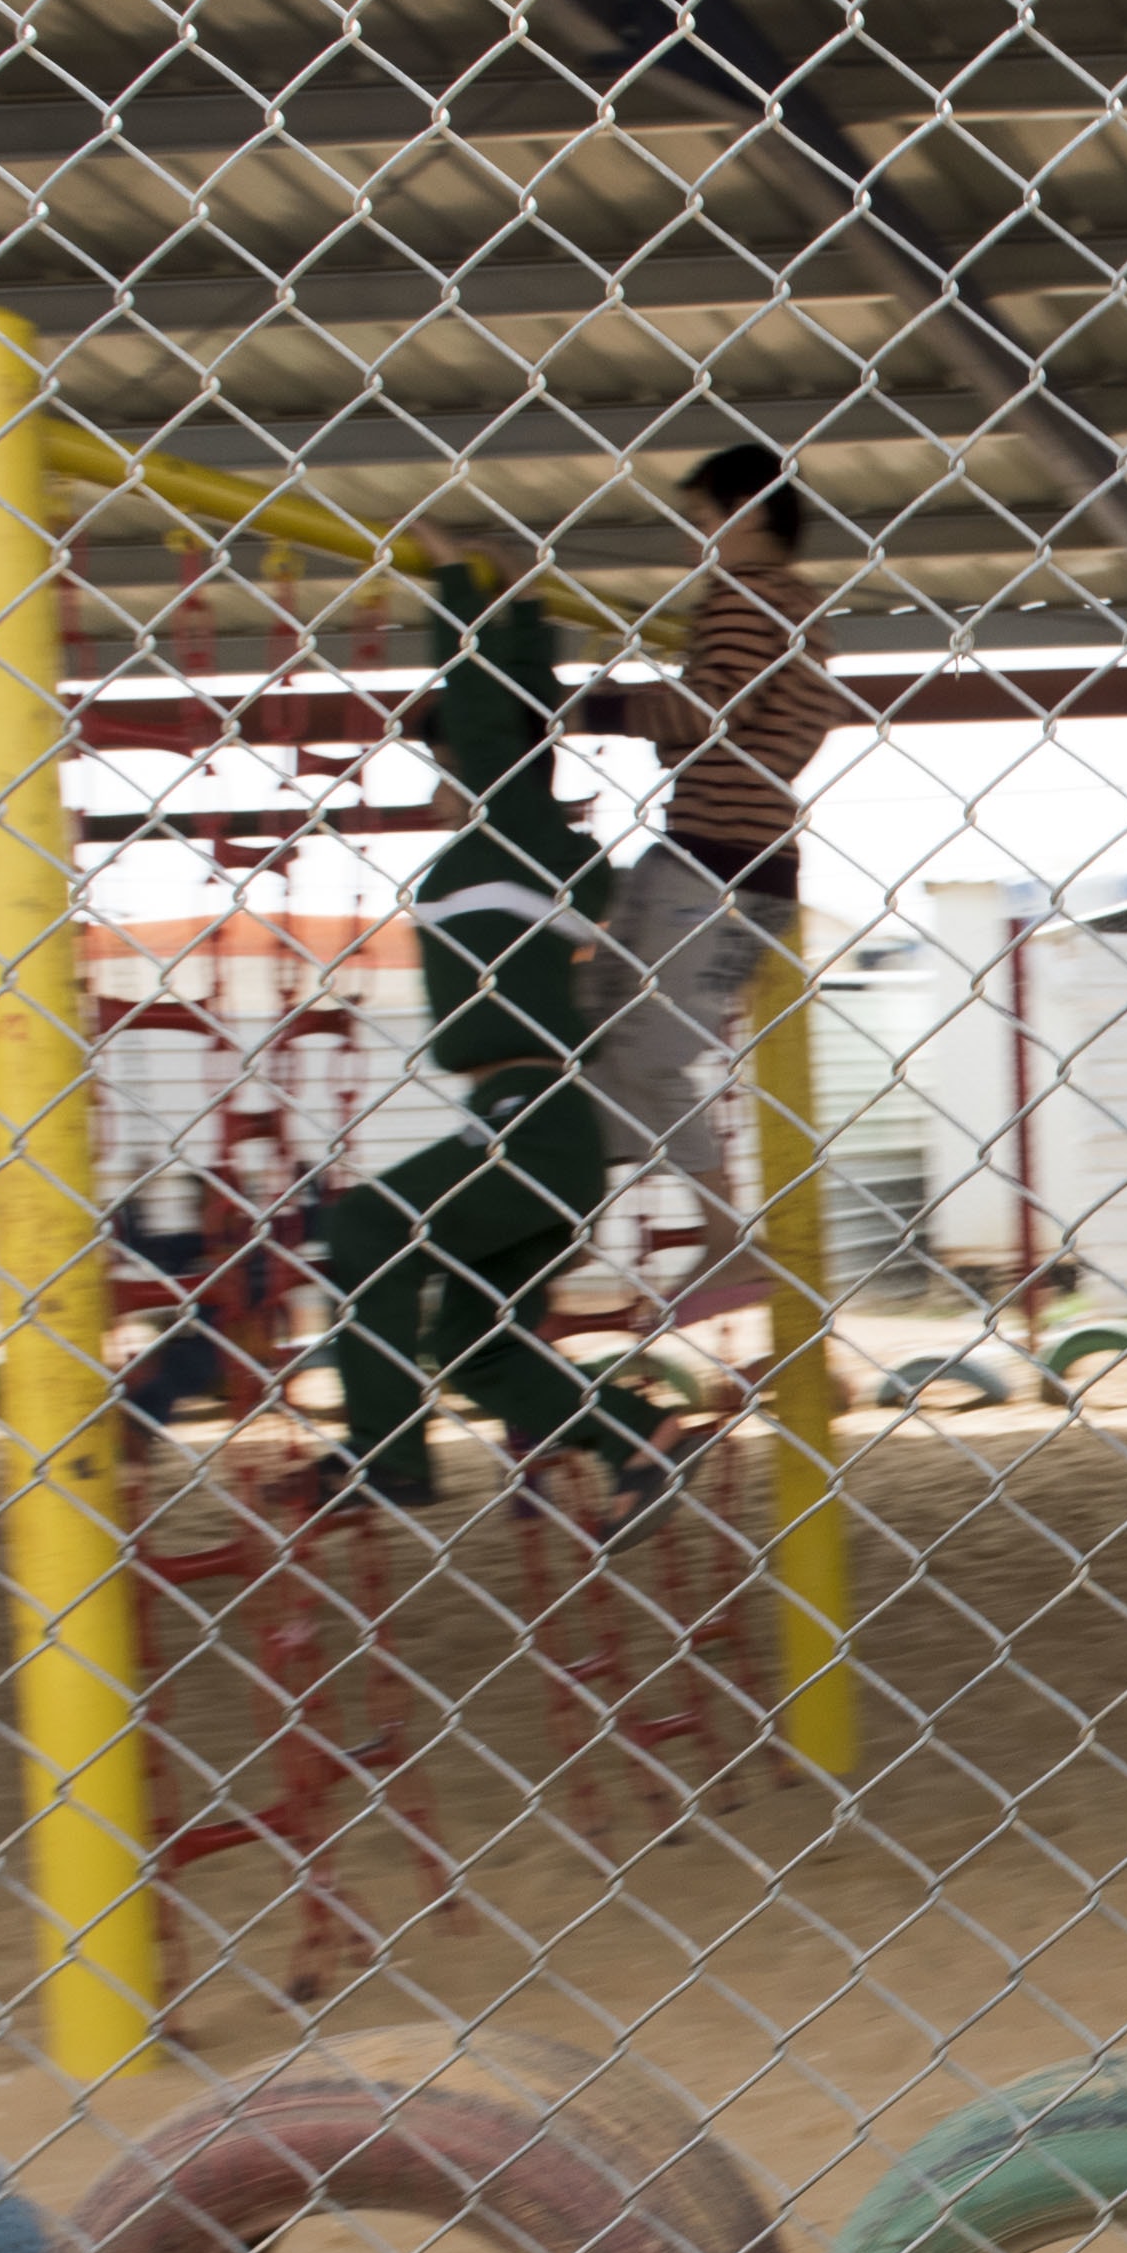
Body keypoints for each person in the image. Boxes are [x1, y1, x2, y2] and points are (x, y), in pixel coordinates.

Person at [295, 549, 694, 1534]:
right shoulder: (527, 856)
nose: (437, 776)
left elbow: (493, 716)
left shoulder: (511, 834)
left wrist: (458, 588)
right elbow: (506, 713)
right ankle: (637, 1439)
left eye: (446, 758)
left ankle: (385, 1459)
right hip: (536, 1131)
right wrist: (520, 615)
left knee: (366, 1228)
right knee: (473, 1346)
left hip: (531, 1122)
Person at [564, 439, 849, 1267]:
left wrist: (584, 712)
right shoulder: (801, 609)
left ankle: (721, 1236)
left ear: (749, 514)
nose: (693, 541)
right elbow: (744, 721)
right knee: (604, 1032)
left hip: (716, 859)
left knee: (637, 1048)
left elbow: (708, 710)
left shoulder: (743, 597)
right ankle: (585, 1214)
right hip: (724, 856)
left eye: (701, 520)